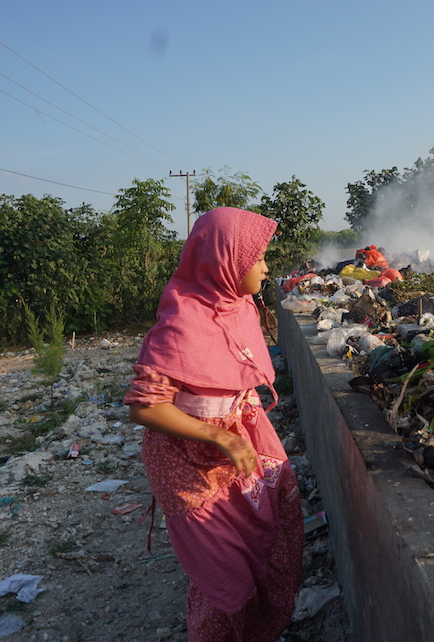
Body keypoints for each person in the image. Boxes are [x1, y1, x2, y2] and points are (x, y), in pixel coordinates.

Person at [124, 207, 303, 641]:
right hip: (191, 468)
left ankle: (260, 630)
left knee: (268, 537)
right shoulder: (181, 326)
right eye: (256, 258)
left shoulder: (238, 308)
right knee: (225, 576)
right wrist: (216, 434)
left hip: (240, 448)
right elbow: (145, 407)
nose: (264, 267)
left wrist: (233, 435)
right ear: (226, 261)